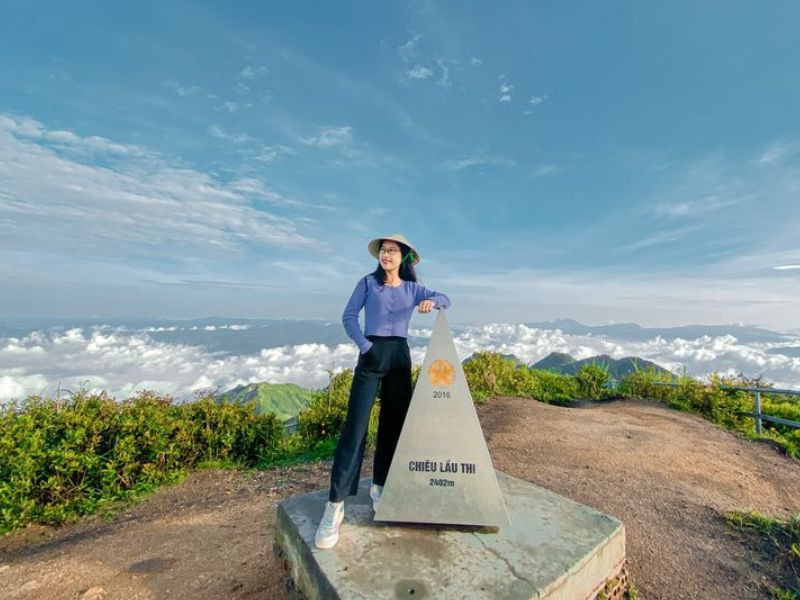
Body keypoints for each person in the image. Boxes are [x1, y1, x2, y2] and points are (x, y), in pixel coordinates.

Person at [314, 233, 451, 550]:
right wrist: (365, 346)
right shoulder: (367, 283)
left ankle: (380, 487)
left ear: (404, 257)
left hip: (400, 357)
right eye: (383, 250)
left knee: (393, 427)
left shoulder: (413, 289)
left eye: (392, 250)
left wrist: (433, 302)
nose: (386, 254)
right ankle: (334, 505)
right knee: (355, 428)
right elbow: (348, 316)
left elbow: (446, 298)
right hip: (371, 354)